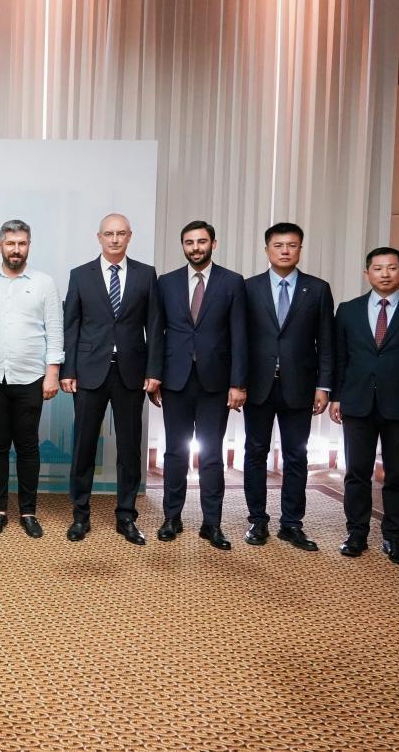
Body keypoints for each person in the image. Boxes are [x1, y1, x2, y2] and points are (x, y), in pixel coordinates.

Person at [330, 247, 399, 566]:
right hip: (357, 403)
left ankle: (394, 538)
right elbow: (340, 358)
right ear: (367, 273)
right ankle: (356, 534)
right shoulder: (348, 310)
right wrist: (337, 396)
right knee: (356, 473)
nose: (385, 274)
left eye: (392, 268)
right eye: (378, 268)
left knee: (397, 475)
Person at [61, 212, 162, 545]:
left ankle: (126, 516)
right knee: (83, 446)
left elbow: (154, 327)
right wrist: (68, 370)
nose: (115, 239)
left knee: (129, 448)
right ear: (99, 237)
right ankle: (80, 515)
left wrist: (154, 371)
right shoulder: (80, 275)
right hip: (89, 372)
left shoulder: (146, 275)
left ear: (130, 236)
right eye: (109, 234)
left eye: (121, 233)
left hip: (131, 373)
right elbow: (71, 326)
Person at [154, 220, 247, 550]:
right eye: (189, 242)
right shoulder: (166, 282)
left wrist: (238, 383)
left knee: (211, 455)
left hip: (216, 383)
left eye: (202, 241)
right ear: (183, 246)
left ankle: (212, 524)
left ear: (213, 244)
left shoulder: (232, 282)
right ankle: (172, 517)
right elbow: (157, 333)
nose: (195, 248)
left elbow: (240, 336)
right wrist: (154, 377)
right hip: (175, 380)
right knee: (174, 453)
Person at [241, 222, 334, 551]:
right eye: (278, 245)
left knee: (296, 455)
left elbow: (326, 342)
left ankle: (292, 524)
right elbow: (239, 340)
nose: (284, 251)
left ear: (300, 249)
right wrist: (237, 383)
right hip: (258, 385)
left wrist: (324, 386)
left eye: (291, 245)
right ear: (266, 249)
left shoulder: (317, 289)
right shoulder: (248, 288)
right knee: (255, 453)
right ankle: (257, 520)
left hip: (300, 386)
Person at [0, 219, 62, 539]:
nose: (16, 249)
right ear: (0, 246)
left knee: (27, 447)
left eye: (22, 243)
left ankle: (28, 512)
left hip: (31, 378)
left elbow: (55, 330)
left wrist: (52, 373)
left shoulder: (44, 283)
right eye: (10, 243)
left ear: (29, 246)